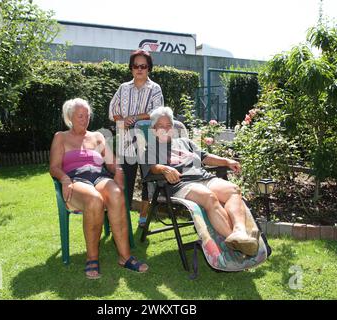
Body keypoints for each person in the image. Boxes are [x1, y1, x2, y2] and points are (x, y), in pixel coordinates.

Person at [49, 98, 148, 279]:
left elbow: (111, 163)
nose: (85, 119)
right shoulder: (60, 137)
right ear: (70, 117)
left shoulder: (97, 136)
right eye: (80, 116)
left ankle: (125, 257)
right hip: (76, 179)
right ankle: (92, 258)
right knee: (94, 200)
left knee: (117, 195)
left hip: (99, 176)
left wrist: (118, 172)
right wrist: (64, 179)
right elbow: (54, 167)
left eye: (87, 116)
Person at [141, 107, 259, 256]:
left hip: (204, 178)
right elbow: (151, 168)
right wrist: (164, 169)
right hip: (181, 184)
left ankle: (239, 232)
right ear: (153, 129)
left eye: (168, 126)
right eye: (161, 126)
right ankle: (237, 245)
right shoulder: (149, 149)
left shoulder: (185, 142)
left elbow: (205, 157)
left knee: (233, 190)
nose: (165, 129)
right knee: (209, 197)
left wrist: (227, 161)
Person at [109, 49, 164, 228]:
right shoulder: (123, 88)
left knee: (148, 179)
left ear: (149, 68)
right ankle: (122, 218)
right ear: (131, 68)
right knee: (126, 180)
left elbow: (157, 114)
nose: (139, 69)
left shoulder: (155, 89)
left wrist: (135, 118)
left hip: (148, 142)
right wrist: (122, 121)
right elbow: (112, 111)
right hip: (126, 142)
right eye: (135, 66)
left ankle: (143, 216)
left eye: (143, 66)